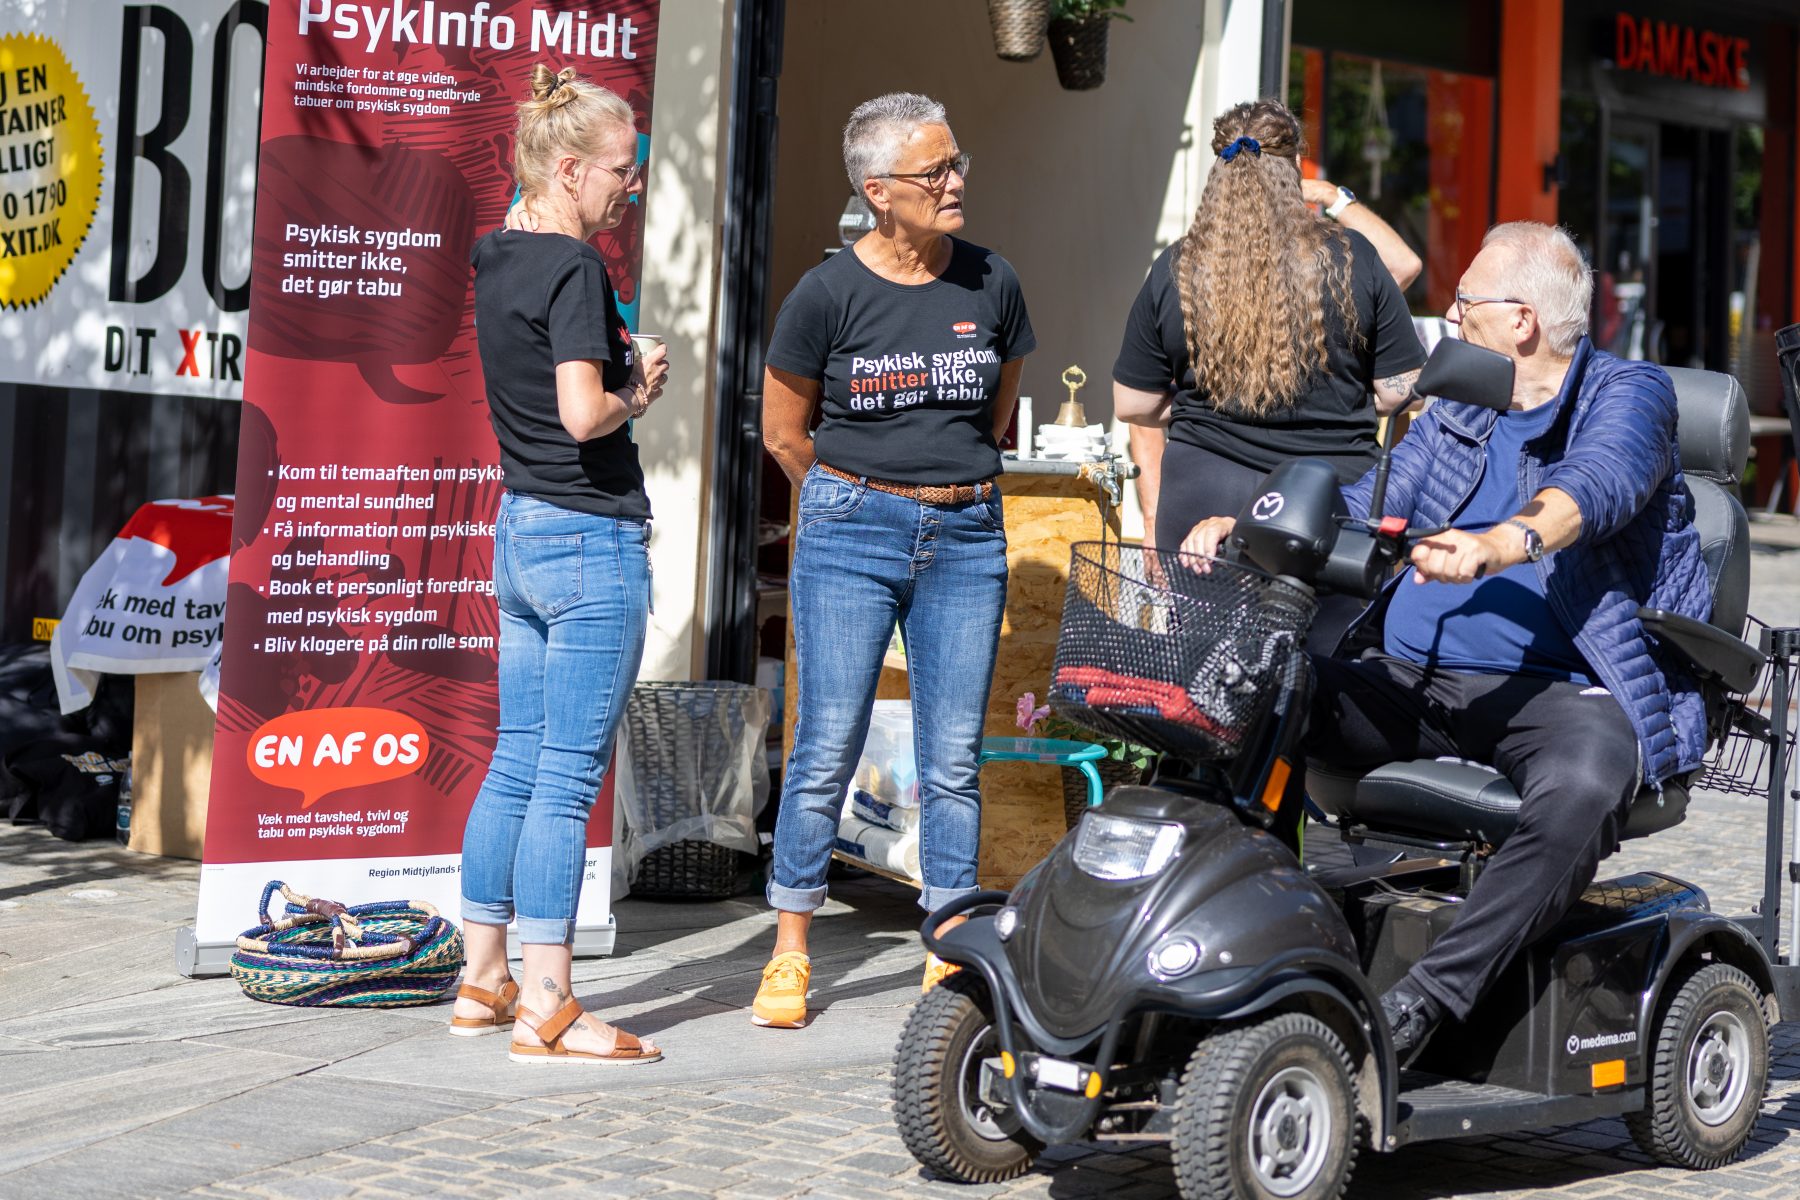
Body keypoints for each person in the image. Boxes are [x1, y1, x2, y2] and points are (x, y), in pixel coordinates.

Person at [1183, 221, 1713, 1058]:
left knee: (1587, 780)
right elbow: (1366, 502)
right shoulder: (1462, 402)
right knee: (1254, 687)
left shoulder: (1629, 394)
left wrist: (1500, 543)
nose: (1450, 316)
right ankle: (1230, 926)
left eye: (1464, 301)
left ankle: (1425, 1003)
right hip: (1409, 680)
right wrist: (1254, 524)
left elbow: (1596, 485)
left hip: (1563, 691)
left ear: (1522, 321)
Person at [756, 92, 1035, 1028]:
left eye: (957, 164)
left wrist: (939, 484)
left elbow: (996, 412)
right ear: (879, 192)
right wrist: (851, 500)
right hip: (852, 530)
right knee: (825, 744)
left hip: (966, 534)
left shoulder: (992, 280)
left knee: (951, 757)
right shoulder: (825, 294)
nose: (956, 183)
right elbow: (785, 432)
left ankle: (948, 944)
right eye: (934, 173)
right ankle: (791, 946)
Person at [452, 65, 668, 1065]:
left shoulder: (499, 254)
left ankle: (482, 977)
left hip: (523, 530)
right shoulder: (578, 269)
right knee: (567, 776)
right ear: (573, 168)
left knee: (516, 756)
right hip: (589, 536)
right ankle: (549, 1000)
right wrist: (640, 386)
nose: (630, 186)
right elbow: (584, 414)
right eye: (623, 170)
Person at [1114, 100, 1424, 609]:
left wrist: (1203, 405)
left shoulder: (1178, 267)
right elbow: (1399, 390)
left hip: (1200, 489)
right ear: (1293, 170)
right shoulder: (1351, 257)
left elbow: (1132, 404)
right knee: (1329, 667)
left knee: (1206, 669)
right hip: (1328, 492)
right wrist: (1339, 401)